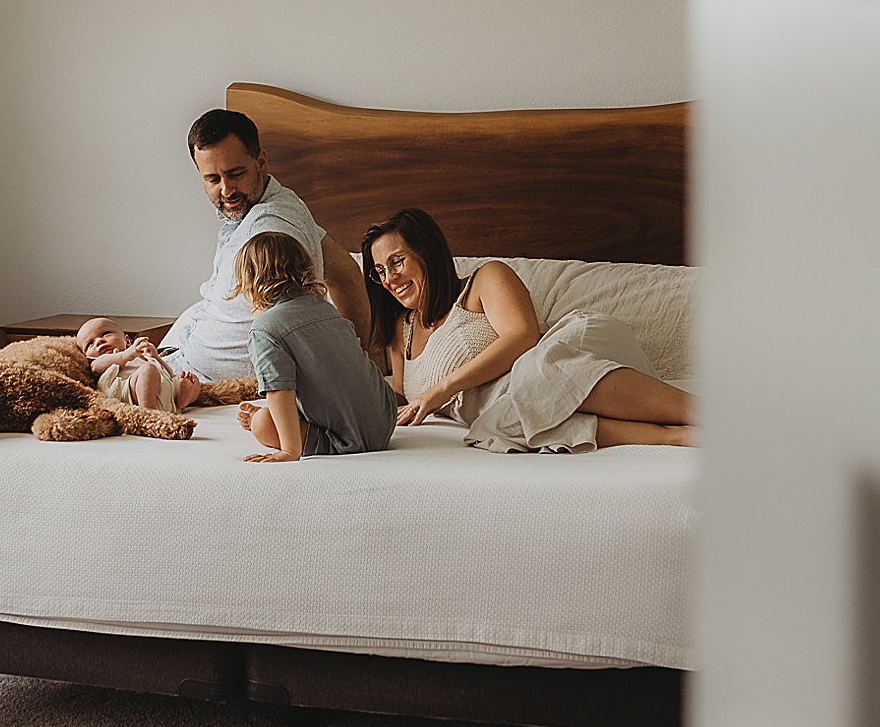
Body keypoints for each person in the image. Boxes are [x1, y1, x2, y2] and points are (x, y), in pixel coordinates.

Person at [361, 207, 697, 453]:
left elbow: (523, 337)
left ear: (427, 252)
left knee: (536, 373)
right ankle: (676, 437)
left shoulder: (484, 279)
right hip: (516, 405)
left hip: (572, 353)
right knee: (496, 426)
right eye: (379, 271)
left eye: (397, 261)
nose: (389, 279)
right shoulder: (399, 327)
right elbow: (404, 397)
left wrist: (443, 390)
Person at [157, 108, 372, 384]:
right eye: (212, 179)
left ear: (261, 162)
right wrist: (365, 354)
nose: (226, 190)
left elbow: (289, 327)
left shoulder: (271, 230)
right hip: (181, 361)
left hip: (209, 386)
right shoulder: (280, 204)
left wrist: (355, 369)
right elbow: (347, 275)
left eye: (235, 173)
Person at [234, 232, 397, 462]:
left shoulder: (264, 329)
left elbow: (280, 391)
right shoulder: (326, 309)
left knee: (262, 423)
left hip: (347, 440)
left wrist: (289, 451)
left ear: (251, 284)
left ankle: (259, 420)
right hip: (385, 421)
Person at [76, 317, 202, 413]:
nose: (99, 341)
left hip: (165, 391)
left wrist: (155, 357)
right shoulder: (101, 360)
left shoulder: (139, 353)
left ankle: (182, 399)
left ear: (127, 340)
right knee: (148, 370)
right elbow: (96, 368)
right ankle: (148, 413)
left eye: (105, 334)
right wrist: (126, 355)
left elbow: (167, 372)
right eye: (90, 344)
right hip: (130, 392)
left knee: (193, 379)